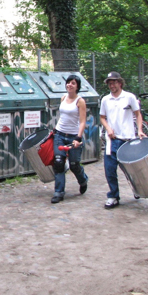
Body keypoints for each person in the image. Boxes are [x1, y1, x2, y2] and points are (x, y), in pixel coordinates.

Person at [99, 71, 145, 209]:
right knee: (110, 169)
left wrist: (140, 130)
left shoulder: (129, 97)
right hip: (113, 140)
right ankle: (113, 196)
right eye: (109, 83)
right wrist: (108, 128)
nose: (111, 85)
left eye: (114, 82)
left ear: (120, 82)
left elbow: (138, 114)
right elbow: (102, 117)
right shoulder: (105, 100)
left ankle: (137, 188)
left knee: (132, 169)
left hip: (128, 140)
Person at [51, 74, 88, 204]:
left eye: (73, 83)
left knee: (74, 164)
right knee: (59, 162)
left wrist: (78, 138)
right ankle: (59, 192)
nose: (69, 85)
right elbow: (62, 117)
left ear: (77, 86)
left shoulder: (80, 101)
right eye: (68, 83)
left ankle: (83, 180)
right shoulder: (63, 98)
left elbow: (83, 121)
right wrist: (55, 130)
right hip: (60, 134)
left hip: (73, 136)